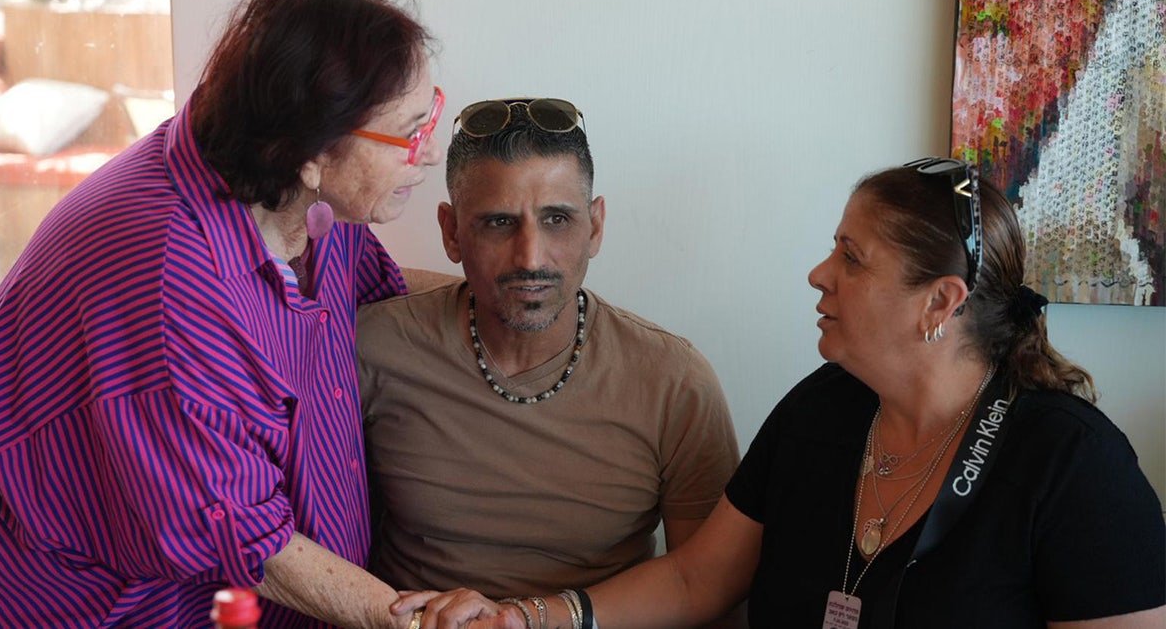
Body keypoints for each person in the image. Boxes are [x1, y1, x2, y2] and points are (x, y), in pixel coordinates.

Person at [397, 158, 1166, 628]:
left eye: (852, 259)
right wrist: (536, 616)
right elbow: (700, 576)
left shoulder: (1075, 467)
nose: (819, 274)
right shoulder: (823, 408)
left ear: (940, 302)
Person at [0, 0, 446, 628]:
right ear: (311, 156)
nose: (430, 154)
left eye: (431, 116)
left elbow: (375, 297)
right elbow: (252, 539)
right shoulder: (170, 284)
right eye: (411, 135)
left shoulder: (293, 190)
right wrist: (422, 622)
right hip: (72, 601)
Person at [356, 98, 740, 602]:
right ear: (452, 232)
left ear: (595, 226)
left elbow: (710, 591)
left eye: (557, 219)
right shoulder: (371, 347)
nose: (531, 257)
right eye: (498, 223)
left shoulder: (674, 382)